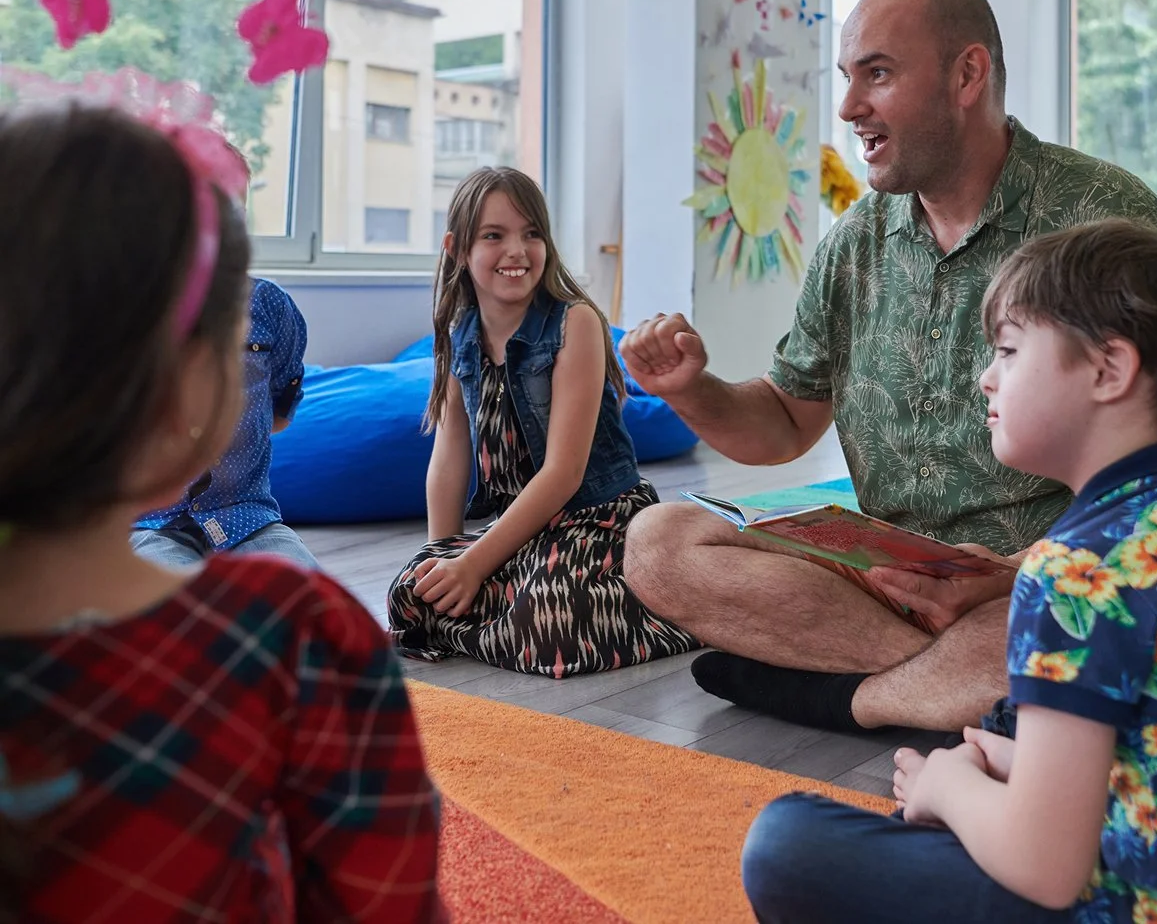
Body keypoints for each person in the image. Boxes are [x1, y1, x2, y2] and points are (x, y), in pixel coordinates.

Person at [620, 0, 1157, 734]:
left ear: (967, 74)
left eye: (876, 74)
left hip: (1039, 577)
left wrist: (1015, 576)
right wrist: (693, 390)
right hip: (881, 573)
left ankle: (857, 699)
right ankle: (976, 691)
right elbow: (784, 423)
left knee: (1102, 620)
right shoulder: (853, 245)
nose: (849, 108)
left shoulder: (1105, 221)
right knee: (659, 543)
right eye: (848, 79)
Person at [0, 100, 443, 922]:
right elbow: (387, 897)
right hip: (159, 541)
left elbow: (283, 407)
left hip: (248, 515)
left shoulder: (275, 311)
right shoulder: (304, 640)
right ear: (189, 385)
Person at [740, 219, 1157, 923]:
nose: (987, 376)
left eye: (1009, 351)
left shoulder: (1077, 569)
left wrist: (950, 788)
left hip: (1150, 903)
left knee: (787, 842)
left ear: (1109, 369)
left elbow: (1046, 869)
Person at [387, 166, 699, 676]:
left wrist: (475, 565)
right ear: (456, 248)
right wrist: (442, 559)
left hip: (596, 519)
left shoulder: (575, 322)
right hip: (519, 528)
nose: (517, 250)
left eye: (532, 233)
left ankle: (682, 606)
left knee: (548, 626)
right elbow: (448, 459)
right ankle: (494, 614)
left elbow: (564, 474)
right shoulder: (457, 330)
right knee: (409, 595)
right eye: (494, 236)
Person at [131, 271, 317, 569]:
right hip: (150, 524)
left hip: (248, 518)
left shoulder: (266, 302)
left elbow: (280, 409)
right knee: (177, 608)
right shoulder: (122, 305)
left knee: (306, 601)